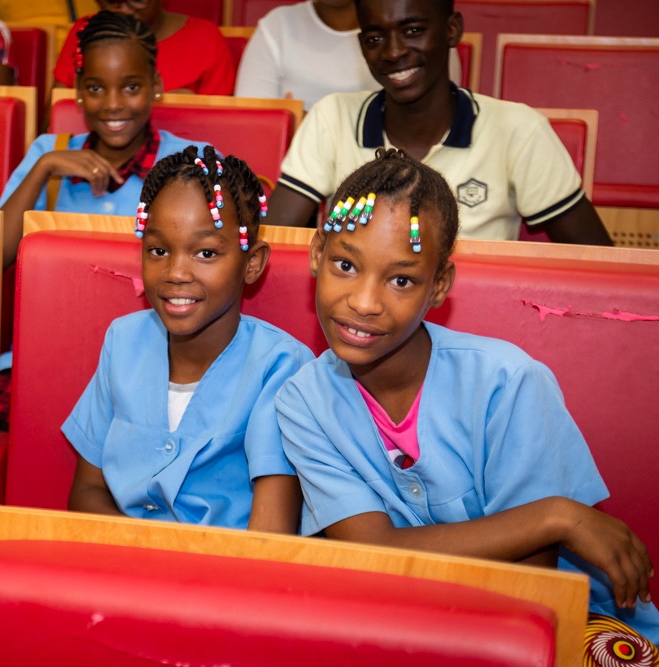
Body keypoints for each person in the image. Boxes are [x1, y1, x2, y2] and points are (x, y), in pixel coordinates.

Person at [275, 148, 658, 653]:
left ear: (439, 286)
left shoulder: (507, 382)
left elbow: (530, 584)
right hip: (404, 616)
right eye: (346, 265)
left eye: (401, 280)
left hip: (557, 621)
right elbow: (374, 550)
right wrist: (555, 515)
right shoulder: (303, 401)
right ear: (316, 255)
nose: (365, 302)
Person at [64, 144, 313, 533]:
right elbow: (86, 492)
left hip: (227, 579)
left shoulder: (281, 367)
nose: (176, 272)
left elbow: (270, 536)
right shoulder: (122, 342)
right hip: (122, 568)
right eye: (159, 250)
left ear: (252, 263)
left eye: (206, 253)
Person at [265, 0, 613, 245]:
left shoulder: (518, 130)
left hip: (476, 332)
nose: (393, 51)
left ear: (452, 30)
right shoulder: (331, 118)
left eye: (413, 30)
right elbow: (275, 240)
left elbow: (595, 262)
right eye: (375, 38)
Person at [0, 10, 194, 267]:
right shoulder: (48, 152)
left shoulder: (192, 162)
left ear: (155, 86)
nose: (113, 104)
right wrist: (44, 168)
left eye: (131, 87)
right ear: (78, 90)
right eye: (96, 88)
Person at [234, 0, 461, 111]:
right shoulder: (276, 26)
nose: (393, 52)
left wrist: (303, 122)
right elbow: (253, 126)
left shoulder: (423, 32)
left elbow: (434, 121)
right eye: (375, 40)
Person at [53, 0, 235, 95]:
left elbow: (221, 132)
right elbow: (55, 121)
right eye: (112, 0)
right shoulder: (85, 30)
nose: (124, 9)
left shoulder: (205, 38)